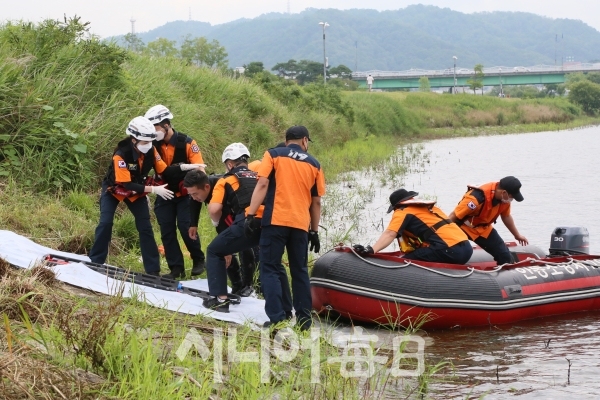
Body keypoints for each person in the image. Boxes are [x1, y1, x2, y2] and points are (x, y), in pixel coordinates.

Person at [246, 126, 326, 331]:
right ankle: (304, 321)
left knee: (270, 268)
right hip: (300, 225)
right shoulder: (314, 164)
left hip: (275, 221)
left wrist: (251, 214)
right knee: (299, 272)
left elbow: (262, 184)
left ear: (287, 139)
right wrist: (314, 231)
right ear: (305, 141)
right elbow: (316, 201)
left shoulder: (273, 154)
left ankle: (277, 318)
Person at [89, 116, 173, 275]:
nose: (148, 145)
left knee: (145, 227)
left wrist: (185, 169)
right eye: (144, 142)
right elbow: (126, 184)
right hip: (115, 189)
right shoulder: (121, 154)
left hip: (137, 190)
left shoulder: (151, 150)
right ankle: (95, 261)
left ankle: (153, 270)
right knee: (105, 223)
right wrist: (154, 190)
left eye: (150, 142)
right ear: (134, 139)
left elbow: (163, 170)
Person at [144, 105, 206, 280]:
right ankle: (176, 268)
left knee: (186, 226)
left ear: (166, 125)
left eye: (155, 127)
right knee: (167, 229)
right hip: (165, 192)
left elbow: (200, 168)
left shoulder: (187, 143)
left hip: (186, 193)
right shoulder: (152, 145)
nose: (153, 132)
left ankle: (198, 259)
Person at [353, 189, 473, 264]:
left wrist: (372, 250)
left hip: (451, 251)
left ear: (396, 206)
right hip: (467, 248)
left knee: (406, 261)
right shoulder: (428, 208)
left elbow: (390, 233)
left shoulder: (402, 211)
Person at [448, 176, 528, 265]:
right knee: (460, 252)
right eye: (511, 197)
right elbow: (453, 216)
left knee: (505, 256)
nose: (511, 200)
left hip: (483, 228)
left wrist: (517, 235)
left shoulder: (504, 200)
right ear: (504, 192)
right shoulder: (476, 198)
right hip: (462, 227)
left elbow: (506, 216)